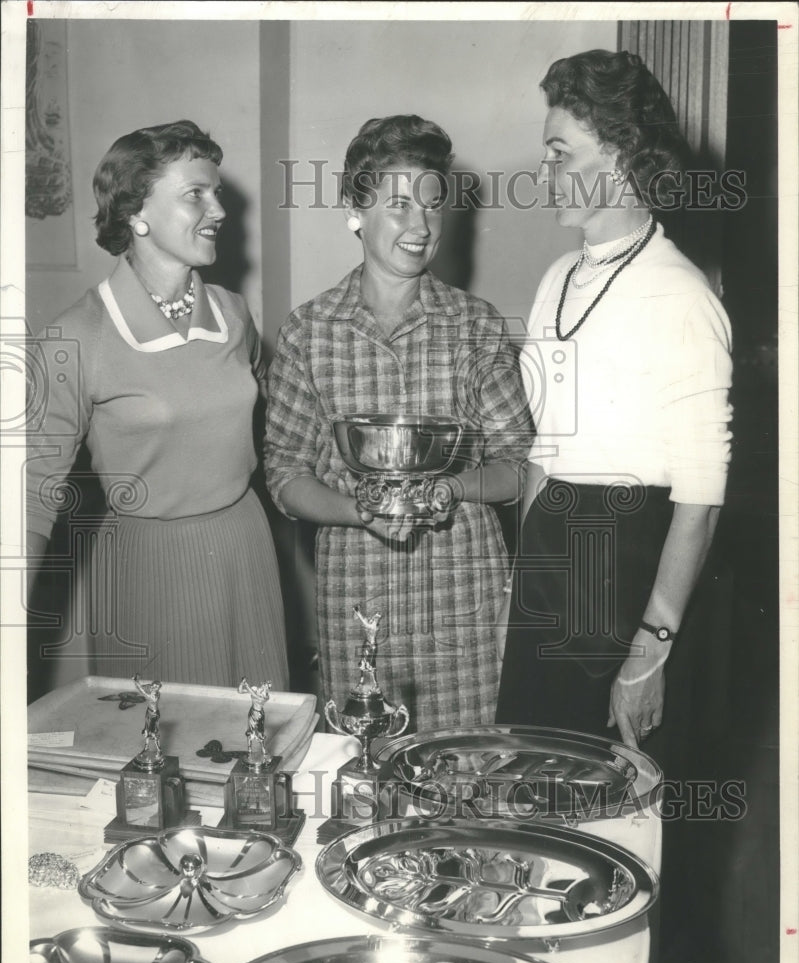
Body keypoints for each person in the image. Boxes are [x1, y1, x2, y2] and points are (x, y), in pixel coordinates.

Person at [496, 50, 733, 765]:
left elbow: (701, 496)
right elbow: (545, 447)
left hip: (626, 561)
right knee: (534, 778)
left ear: (623, 154)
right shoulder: (557, 278)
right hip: (550, 553)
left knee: (611, 800)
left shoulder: (682, 296)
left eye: (558, 153)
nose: (542, 174)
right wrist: (520, 584)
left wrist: (651, 647)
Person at [265, 115, 534, 731]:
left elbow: (519, 469)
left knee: (467, 782)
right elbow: (284, 475)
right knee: (367, 782)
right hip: (358, 594)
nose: (421, 226)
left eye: (434, 206)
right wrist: (358, 507)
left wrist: (453, 488)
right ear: (354, 209)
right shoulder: (310, 331)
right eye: (399, 205)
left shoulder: (475, 324)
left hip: (462, 594)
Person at [26, 120, 288, 689]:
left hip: (245, 545)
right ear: (135, 215)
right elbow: (30, 493)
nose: (218, 209)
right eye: (196, 193)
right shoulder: (78, 335)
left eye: (216, 192)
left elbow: (272, 430)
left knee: (259, 744)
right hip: (149, 566)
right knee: (164, 754)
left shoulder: (234, 313)